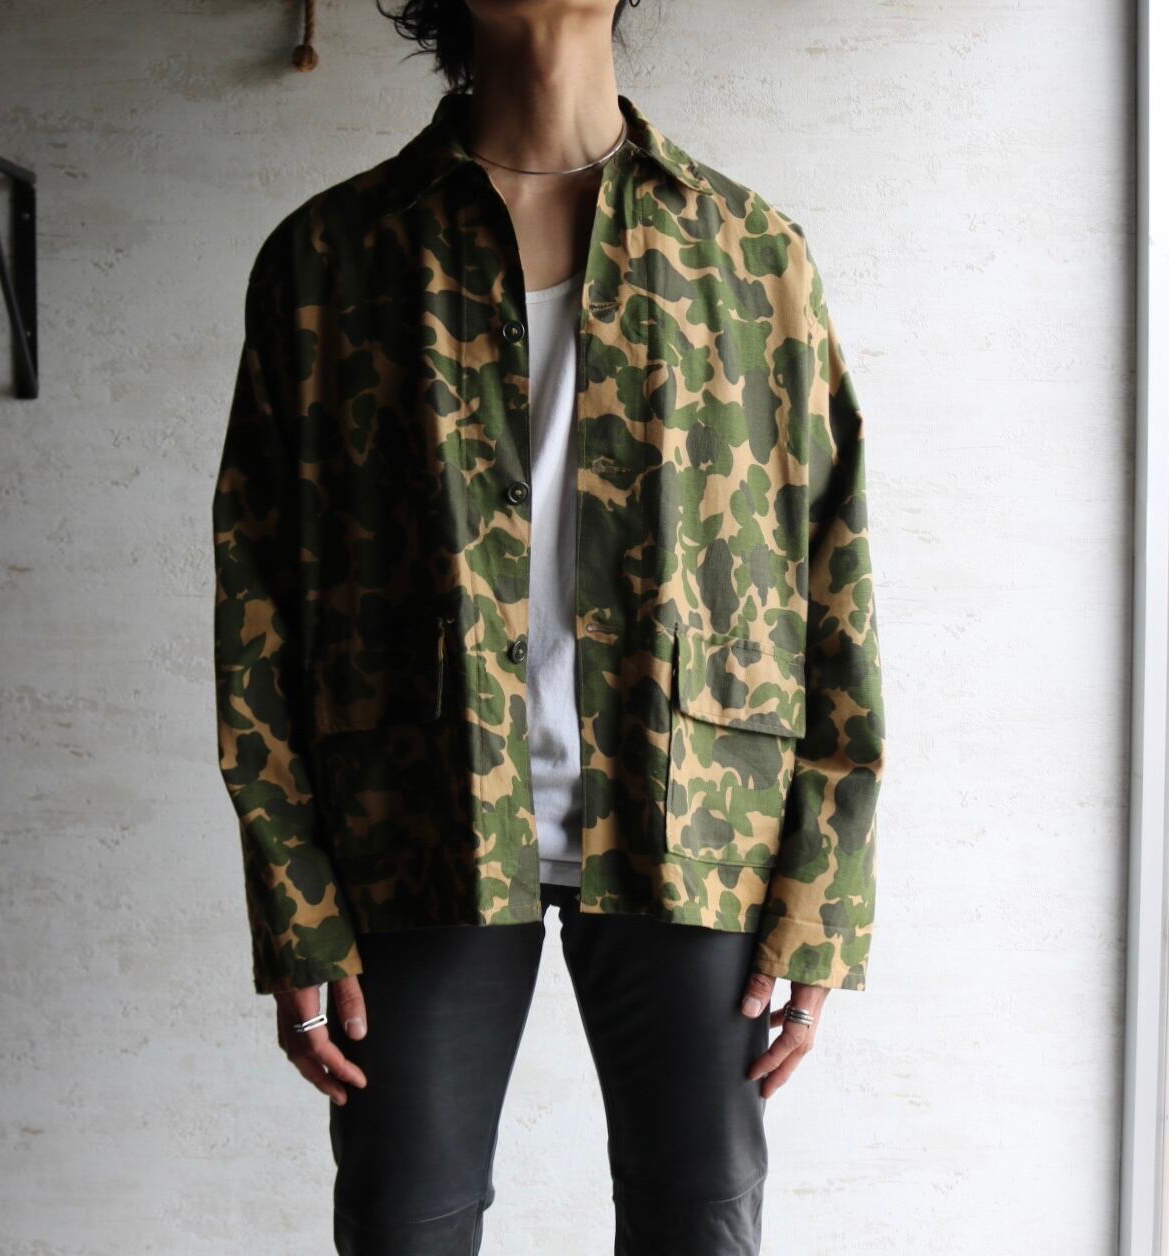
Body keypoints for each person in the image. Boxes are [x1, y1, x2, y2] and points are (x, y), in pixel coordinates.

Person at [211, 1, 887, 1251]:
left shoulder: (748, 252)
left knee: (699, 1224)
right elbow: (258, 592)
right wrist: (293, 894)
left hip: (699, 819)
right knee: (402, 1222)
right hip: (412, 814)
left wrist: (821, 891)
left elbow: (828, 573)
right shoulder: (333, 253)